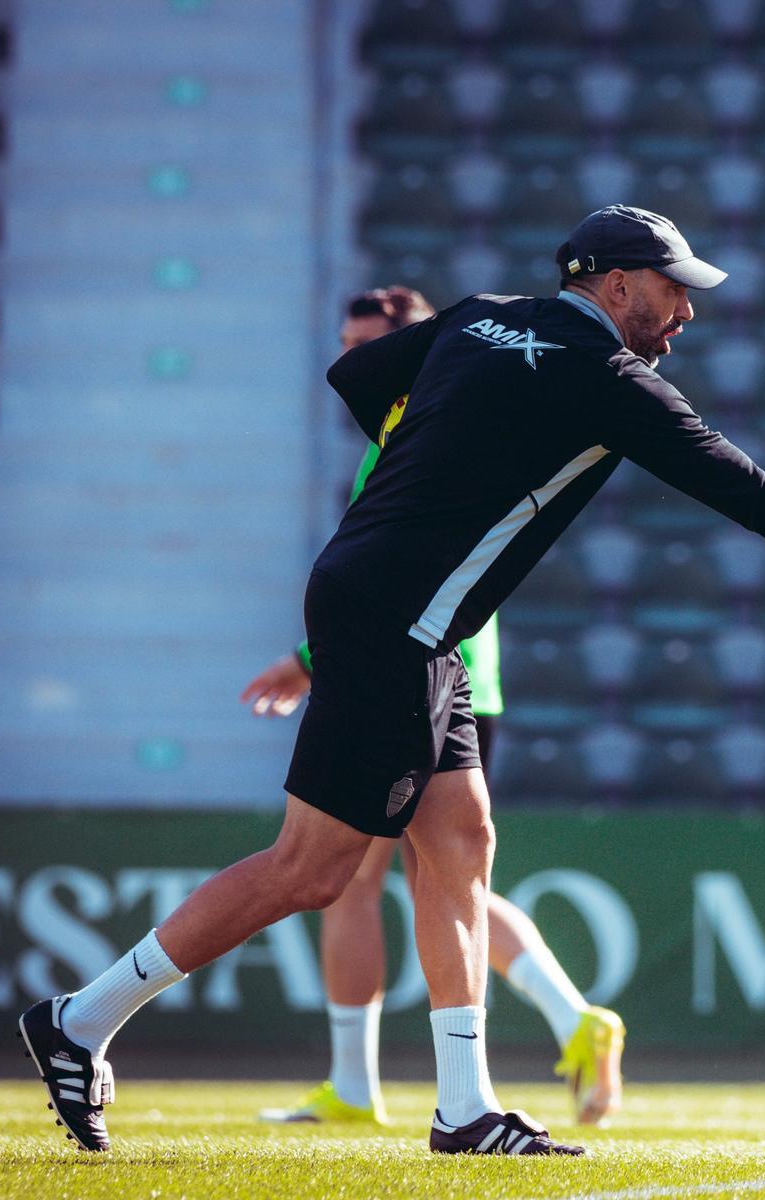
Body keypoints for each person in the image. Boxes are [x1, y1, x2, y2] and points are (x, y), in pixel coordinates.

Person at [18, 205, 765, 1157]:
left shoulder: (485, 313)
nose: (686, 311)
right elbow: (755, 498)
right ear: (616, 285)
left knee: (461, 848)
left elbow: (356, 371)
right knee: (311, 870)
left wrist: (429, 456)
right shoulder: (613, 379)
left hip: (401, 613)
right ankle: (83, 1016)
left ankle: (465, 1107)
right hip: (397, 622)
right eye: (671, 290)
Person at [242, 287, 624, 1129]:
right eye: (341, 337)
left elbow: (393, 570)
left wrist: (310, 661)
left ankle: (353, 1084)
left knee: (351, 877)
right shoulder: (463, 414)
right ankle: (568, 1021)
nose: (347, 356)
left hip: (416, 661)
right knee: (451, 870)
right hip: (464, 668)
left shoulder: (413, 423)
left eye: (365, 341)